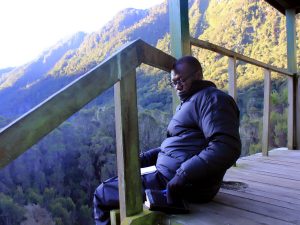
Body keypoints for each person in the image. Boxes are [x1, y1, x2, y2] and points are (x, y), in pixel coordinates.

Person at [93, 56, 241, 225]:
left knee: (102, 193)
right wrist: (144, 158)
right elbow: (179, 146)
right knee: (120, 178)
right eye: (174, 82)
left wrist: (183, 174)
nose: (178, 86)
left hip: (179, 182)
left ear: (198, 74)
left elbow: (226, 146)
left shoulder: (212, 99)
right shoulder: (190, 101)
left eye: (181, 80)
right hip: (173, 175)